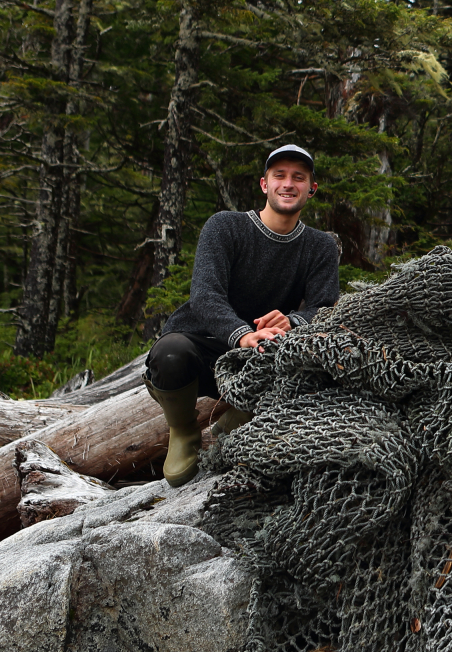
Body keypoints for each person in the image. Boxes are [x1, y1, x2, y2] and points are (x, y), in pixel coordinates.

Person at [143, 143, 340, 487]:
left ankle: (235, 420)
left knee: (321, 362)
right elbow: (204, 296)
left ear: (312, 188)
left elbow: (326, 307)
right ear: (265, 185)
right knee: (169, 353)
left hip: (266, 356)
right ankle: (184, 430)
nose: (288, 184)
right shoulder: (225, 227)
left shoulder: (320, 245)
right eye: (279, 176)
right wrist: (241, 334)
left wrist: (292, 322)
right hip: (207, 347)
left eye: (299, 177)